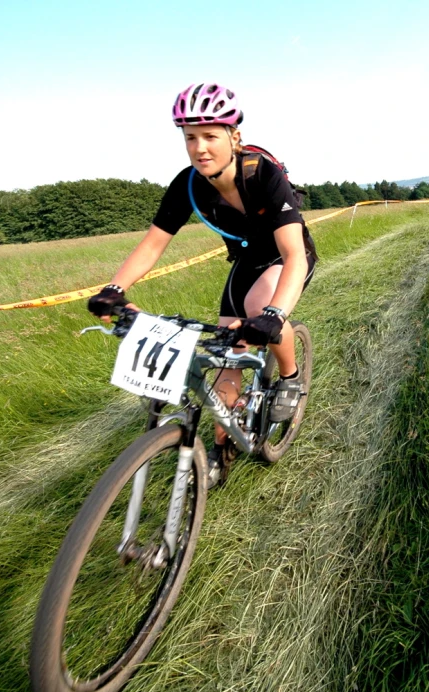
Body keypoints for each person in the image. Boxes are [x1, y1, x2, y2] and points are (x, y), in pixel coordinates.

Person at [88, 82, 317, 486]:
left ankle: (290, 376)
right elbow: (153, 244)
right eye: (190, 138)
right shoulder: (188, 184)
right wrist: (115, 289)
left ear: (234, 136)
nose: (200, 148)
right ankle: (221, 451)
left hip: (286, 256)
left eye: (211, 136)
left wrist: (274, 314)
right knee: (224, 365)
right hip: (246, 261)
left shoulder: (263, 174)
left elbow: (294, 255)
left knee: (260, 313)